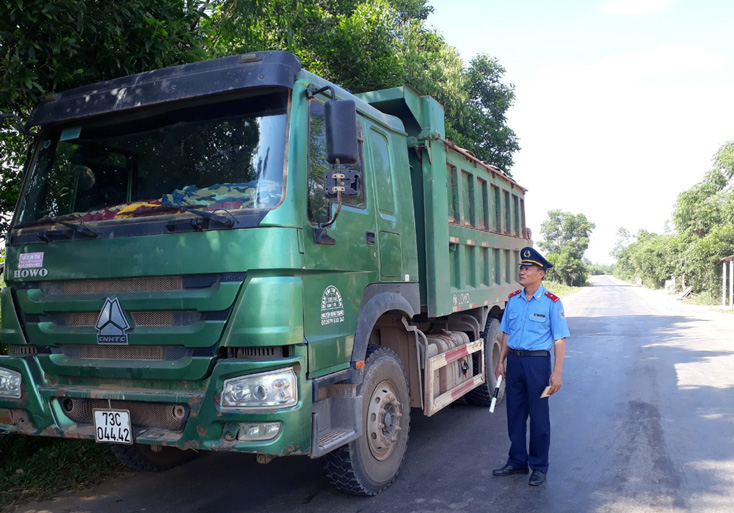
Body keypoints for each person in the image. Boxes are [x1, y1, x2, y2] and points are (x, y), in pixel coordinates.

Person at [492, 246, 569, 486]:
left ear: (541, 273)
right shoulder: (513, 300)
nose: (522, 271)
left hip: (537, 364)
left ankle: (538, 465)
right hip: (514, 362)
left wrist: (556, 373)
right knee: (514, 414)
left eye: (528, 268)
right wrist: (500, 361)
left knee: (538, 418)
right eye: (521, 268)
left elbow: (559, 339)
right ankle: (517, 461)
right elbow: (506, 333)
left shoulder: (551, 302)